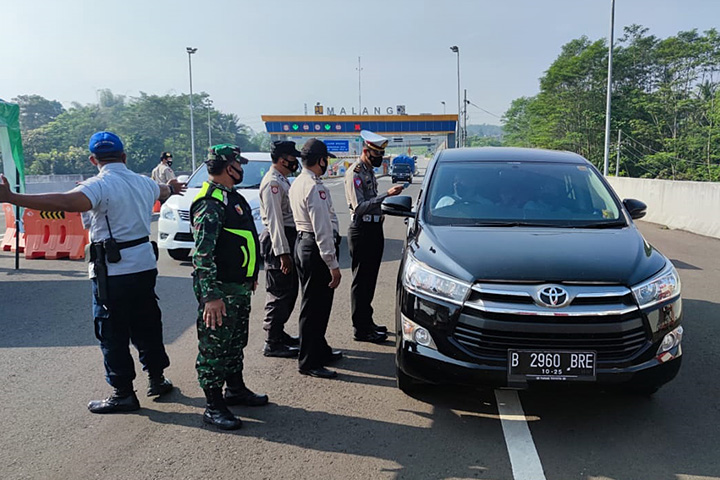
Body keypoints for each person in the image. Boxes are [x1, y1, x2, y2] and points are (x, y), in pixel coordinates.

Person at [0, 131, 185, 414]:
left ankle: (123, 393)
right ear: (124, 156)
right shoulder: (144, 183)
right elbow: (164, 191)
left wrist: (12, 196)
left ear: (92, 159)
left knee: (112, 330)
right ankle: (157, 379)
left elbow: (64, 202)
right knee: (147, 322)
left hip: (113, 272)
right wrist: (172, 187)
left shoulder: (98, 186)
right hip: (145, 267)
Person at [190, 143, 268, 430]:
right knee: (214, 349)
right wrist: (211, 296)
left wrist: (250, 274)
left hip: (238, 286)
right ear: (228, 166)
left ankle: (235, 389)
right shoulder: (210, 203)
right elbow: (202, 254)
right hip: (220, 290)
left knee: (235, 342)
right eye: (239, 164)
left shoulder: (230, 196)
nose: (242, 169)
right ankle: (213, 405)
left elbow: (242, 237)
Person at [289, 139, 343, 379]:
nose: (327, 164)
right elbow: (322, 228)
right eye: (326, 160)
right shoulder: (315, 187)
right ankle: (309, 361)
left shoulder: (298, 182)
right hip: (316, 246)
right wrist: (333, 264)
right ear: (321, 160)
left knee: (314, 303)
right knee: (315, 308)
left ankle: (319, 349)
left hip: (303, 243)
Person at [344, 130, 403, 343]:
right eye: (376, 155)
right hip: (361, 230)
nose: (379, 159)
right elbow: (359, 207)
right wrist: (386, 195)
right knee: (361, 280)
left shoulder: (368, 171)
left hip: (374, 229)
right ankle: (360, 328)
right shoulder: (355, 173)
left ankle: (367, 321)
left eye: (381, 155)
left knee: (370, 280)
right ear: (366, 151)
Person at [259, 141, 302, 358]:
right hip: (279, 239)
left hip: (288, 237)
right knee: (279, 292)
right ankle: (272, 341)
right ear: (282, 159)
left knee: (289, 290)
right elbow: (275, 221)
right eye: (293, 158)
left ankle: (279, 333)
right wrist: (282, 253)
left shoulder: (283, 180)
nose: (296, 161)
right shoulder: (272, 183)